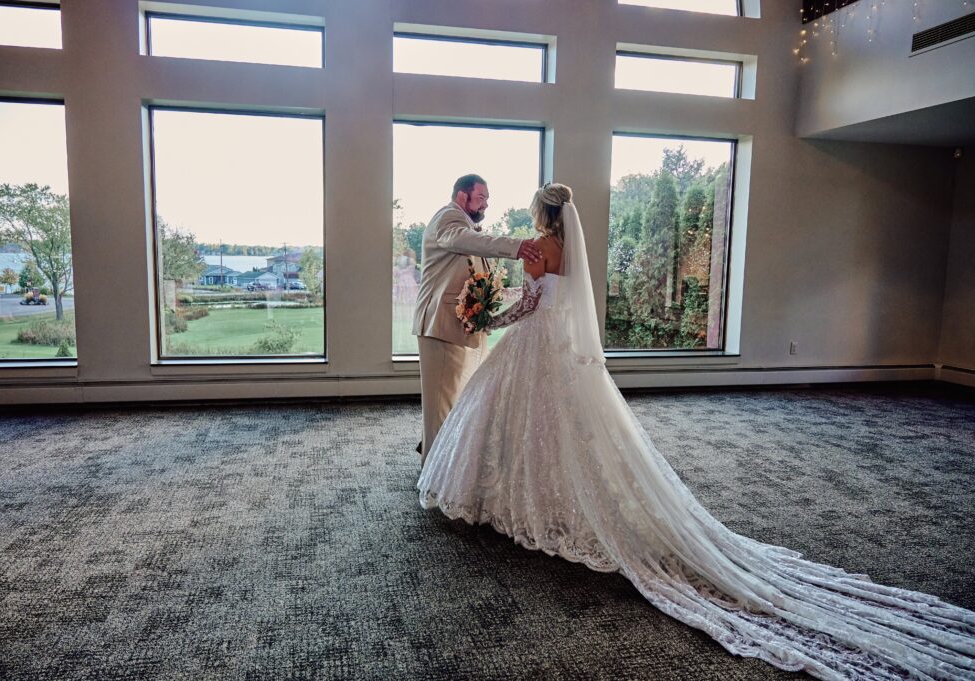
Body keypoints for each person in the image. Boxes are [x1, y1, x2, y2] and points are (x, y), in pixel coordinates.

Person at [418, 183, 975, 680]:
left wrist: (493, 317)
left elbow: (531, 307)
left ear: (543, 216)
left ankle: (518, 494)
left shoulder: (539, 252)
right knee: (570, 431)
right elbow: (561, 306)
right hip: (564, 354)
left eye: (535, 211)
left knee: (521, 423)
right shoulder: (572, 254)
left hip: (533, 348)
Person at [412, 174, 542, 463]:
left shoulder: (467, 228)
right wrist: (516, 246)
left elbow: (479, 284)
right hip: (441, 324)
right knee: (441, 404)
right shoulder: (448, 219)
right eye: (481, 197)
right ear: (462, 197)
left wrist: (516, 292)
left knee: (456, 400)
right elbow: (463, 239)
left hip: (462, 326)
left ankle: (442, 460)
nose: (486, 203)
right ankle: (433, 472)